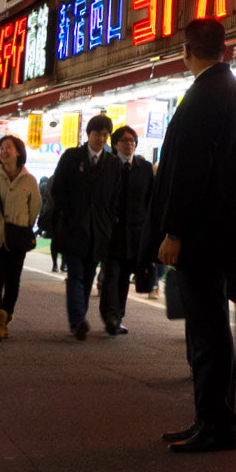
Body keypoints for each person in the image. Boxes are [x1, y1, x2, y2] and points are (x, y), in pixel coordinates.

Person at [152, 17, 236, 453]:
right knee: (211, 326)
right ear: (223, 47)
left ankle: (215, 423)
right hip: (224, 232)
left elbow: (190, 172)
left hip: (200, 235)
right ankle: (210, 418)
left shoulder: (204, 96)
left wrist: (174, 230)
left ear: (186, 51)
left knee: (207, 329)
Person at [42, 114, 119, 339]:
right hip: (73, 227)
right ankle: (77, 320)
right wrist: (68, 212)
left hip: (98, 230)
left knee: (88, 275)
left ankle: (79, 318)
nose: (101, 139)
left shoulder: (112, 163)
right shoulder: (71, 157)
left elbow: (116, 194)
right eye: (97, 134)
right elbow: (58, 189)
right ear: (88, 134)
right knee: (75, 273)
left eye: (105, 135)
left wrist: (108, 218)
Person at [97, 124, 155, 335]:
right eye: (124, 140)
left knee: (123, 278)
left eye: (132, 141)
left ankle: (117, 316)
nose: (129, 144)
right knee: (112, 274)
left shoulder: (144, 167)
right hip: (111, 232)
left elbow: (150, 201)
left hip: (135, 234)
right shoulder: (107, 165)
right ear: (115, 144)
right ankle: (111, 316)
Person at [0, 134, 41, 339]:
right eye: (2, 148)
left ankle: (6, 316)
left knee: (13, 280)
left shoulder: (30, 180)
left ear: (18, 151)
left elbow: (34, 209)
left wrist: (23, 225)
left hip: (18, 238)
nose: (5, 151)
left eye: (8, 147)